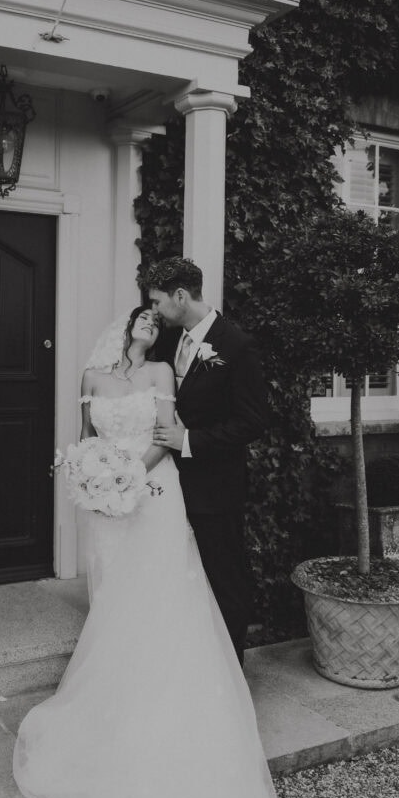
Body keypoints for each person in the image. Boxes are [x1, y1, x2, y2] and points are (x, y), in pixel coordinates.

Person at [13, 306, 289, 798]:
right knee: (115, 598)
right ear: (120, 328)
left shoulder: (164, 373)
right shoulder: (92, 378)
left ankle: (168, 690)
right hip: (110, 506)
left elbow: (166, 438)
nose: (145, 320)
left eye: (151, 316)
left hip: (154, 492)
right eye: (136, 315)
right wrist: (93, 476)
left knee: (164, 588)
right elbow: (86, 440)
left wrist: (127, 477)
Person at [146, 257, 268, 666]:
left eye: (159, 301)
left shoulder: (237, 345)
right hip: (167, 484)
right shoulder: (169, 340)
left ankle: (229, 672)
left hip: (215, 486)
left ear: (181, 296)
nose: (156, 311)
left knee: (224, 578)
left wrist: (189, 440)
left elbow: (252, 422)